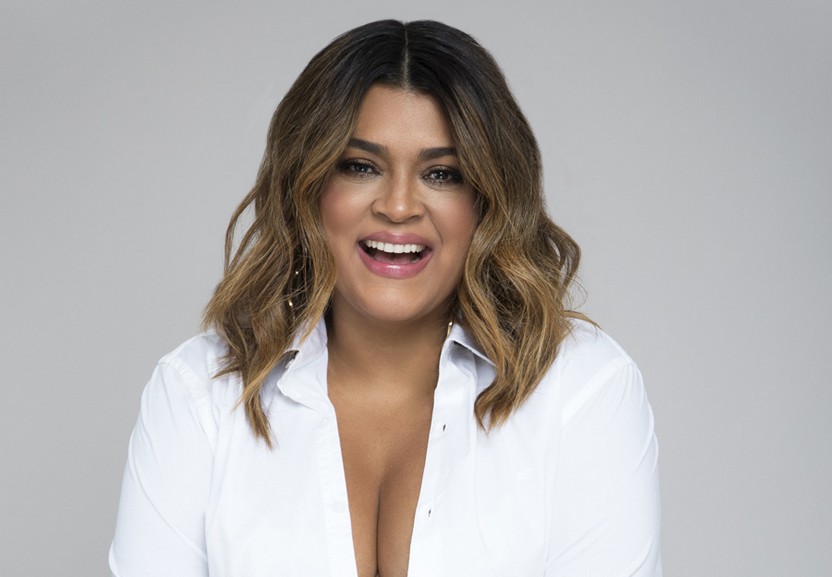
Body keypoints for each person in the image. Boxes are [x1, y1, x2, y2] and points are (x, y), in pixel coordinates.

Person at [109, 19, 661, 577]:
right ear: (306, 187)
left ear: (488, 200)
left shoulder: (580, 392)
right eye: (360, 167)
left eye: (442, 174)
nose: (398, 207)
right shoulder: (199, 394)